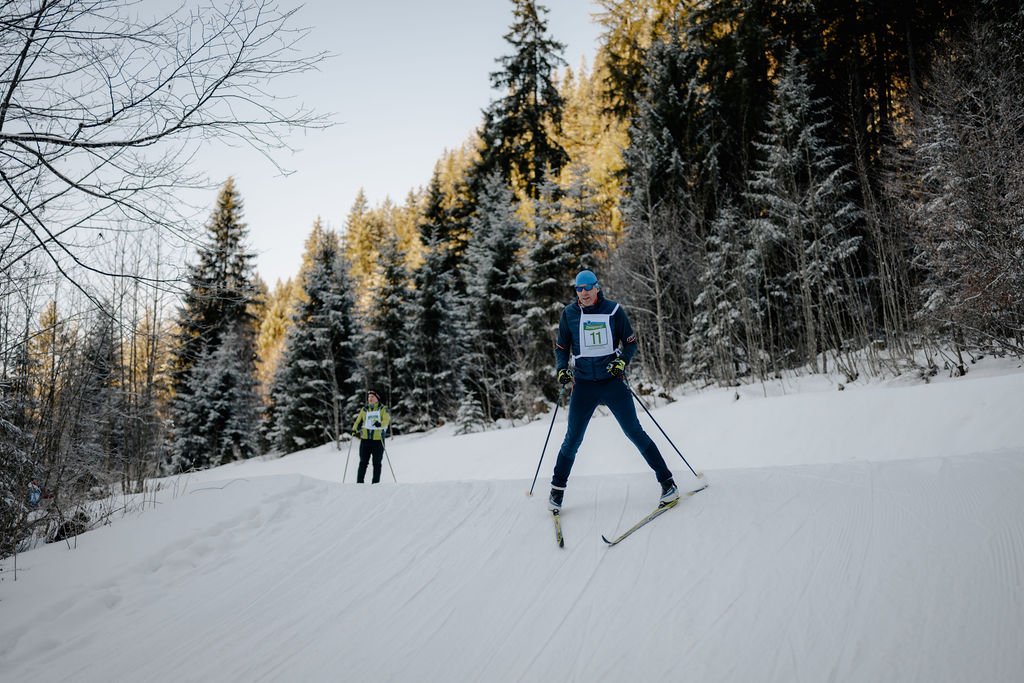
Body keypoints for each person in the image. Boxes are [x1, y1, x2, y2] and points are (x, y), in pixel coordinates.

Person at [548, 270, 677, 511]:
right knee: (572, 439)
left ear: (597, 287)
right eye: (579, 289)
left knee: (634, 432)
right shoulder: (570, 314)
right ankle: (556, 491)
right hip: (584, 384)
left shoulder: (614, 311)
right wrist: (561, 369)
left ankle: (668, 483)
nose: (583, 293)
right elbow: (561, 347)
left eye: (588, 288)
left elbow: (630, 343)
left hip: (612, 382)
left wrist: (621, 362)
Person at [351, 390, 391, 484]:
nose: (370, 399)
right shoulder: (364, 409)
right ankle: (359, 483)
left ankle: (375, 484)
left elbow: (386, 420)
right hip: (365, 440)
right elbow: (358, 421)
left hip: (378, 440)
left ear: (377, 398)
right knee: (363, 462)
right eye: (369, 397)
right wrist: (354, 429)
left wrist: (380, 424)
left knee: (377, 464)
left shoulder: (382, 409)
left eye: (372, 397)